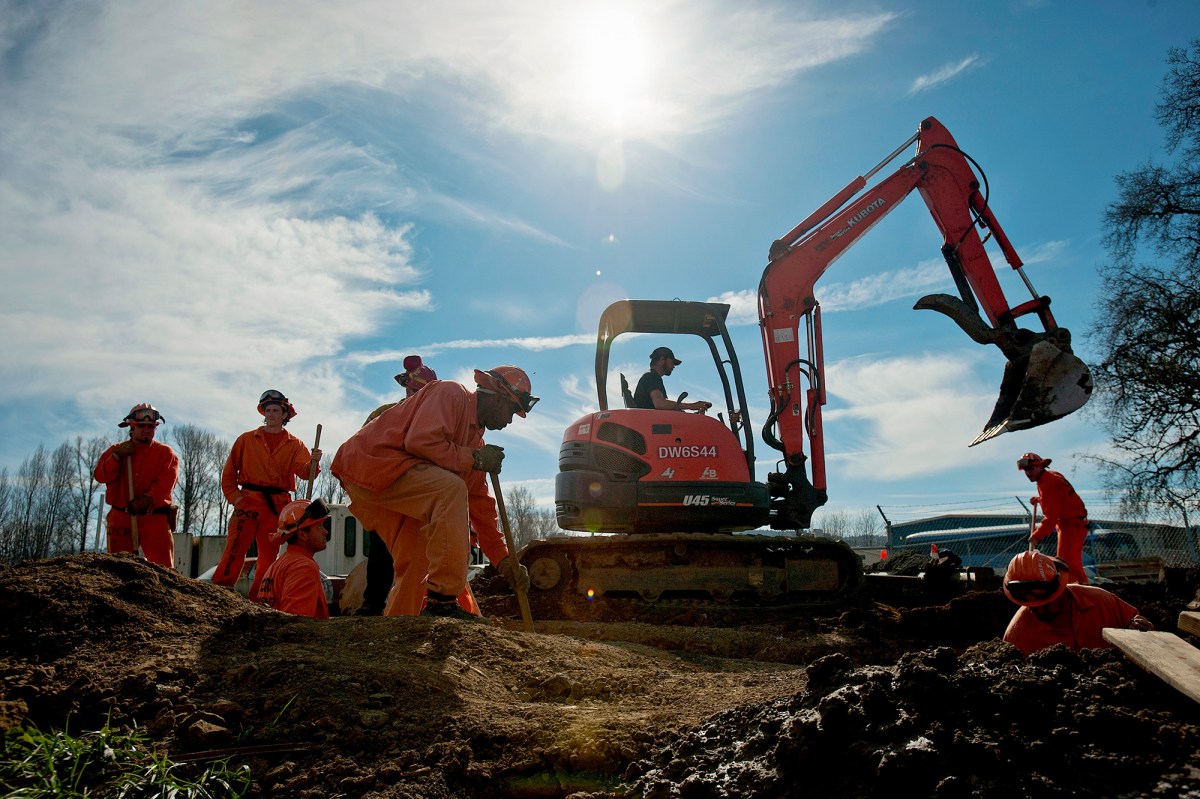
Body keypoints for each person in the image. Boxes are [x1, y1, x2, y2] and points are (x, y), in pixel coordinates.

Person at [332, 365, 536, 623]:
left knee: (420, 559)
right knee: (451, 488)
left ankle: (400, 627)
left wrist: (505, 560)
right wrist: (474, 458)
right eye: (511, 410)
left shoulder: (476, 447)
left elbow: (482, 512)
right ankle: (442, 601)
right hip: (371, 464)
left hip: (391, 479)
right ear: (496, 396)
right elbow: (421, 441)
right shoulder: (451, 394)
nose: (510, 420)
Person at [212, 390, 321, 602]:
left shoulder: (295, 444)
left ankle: (259, 599)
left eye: (276, 411)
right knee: (235, 549)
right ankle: (219, 591)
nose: (271, 414)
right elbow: (228, 473)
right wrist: (236, 498)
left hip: (277, 507)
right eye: (268, 410)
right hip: (248, 501)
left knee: (269, 557)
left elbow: (305, 473)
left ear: (284, 415)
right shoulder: (246, 439)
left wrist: (314, 462)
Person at [356, 355, 439, 616]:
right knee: (380, 550)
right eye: (413, 389)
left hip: (416, 496)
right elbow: (361, 448)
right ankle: (373, 604)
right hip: (386, 491)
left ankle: (417, 605)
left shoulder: (435, 422)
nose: (414, 395)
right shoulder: (383, 415)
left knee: (418, 554)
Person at [1001, 550, 1154, 657]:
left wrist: (1138, 627)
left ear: (1061, 590)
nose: (1040, 610)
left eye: (1047, 603)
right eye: (1033, 607)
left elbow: (1135, 624)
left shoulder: (1100, 600)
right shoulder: (1017, 635)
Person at [92, 403, 179, 568]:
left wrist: (147, 499)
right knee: (118, 568)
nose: (146, 430)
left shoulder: (166, 454)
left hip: (154, 518)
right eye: (141, 426)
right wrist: (116, 458)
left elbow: (166, 484)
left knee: (164, 569)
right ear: (131, 426)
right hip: (121, 517)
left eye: (151, 426)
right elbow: (100, 476)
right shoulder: (116, 451)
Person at [1018, 452, 1090, 584]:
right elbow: (1059, 497)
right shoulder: (1051, 476)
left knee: (1067, 564)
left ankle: (1075, 593)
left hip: (1071, 524)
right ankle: (1082, 589)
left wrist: (1036, 536)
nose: (1028, 473)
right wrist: (1040, 499)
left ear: (1040, 466)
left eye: (1031, 468)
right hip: (1072, 522)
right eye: (1026, 470)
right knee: (1070, 563)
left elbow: (1051, 517)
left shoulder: (1047, 484)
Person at [257, 498, 331, 619]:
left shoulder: (278, 565)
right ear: (302, 534)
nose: (325, 532)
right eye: (319, 526)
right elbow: (296, 625)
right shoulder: (303, 567)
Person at [633, 346, 712, 412]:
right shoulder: (652, 377)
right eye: (672, 362)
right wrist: (691, 406)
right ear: (662, 359)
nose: (673, 366)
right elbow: (659, 403)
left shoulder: (650, 377)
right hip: (651, 425)